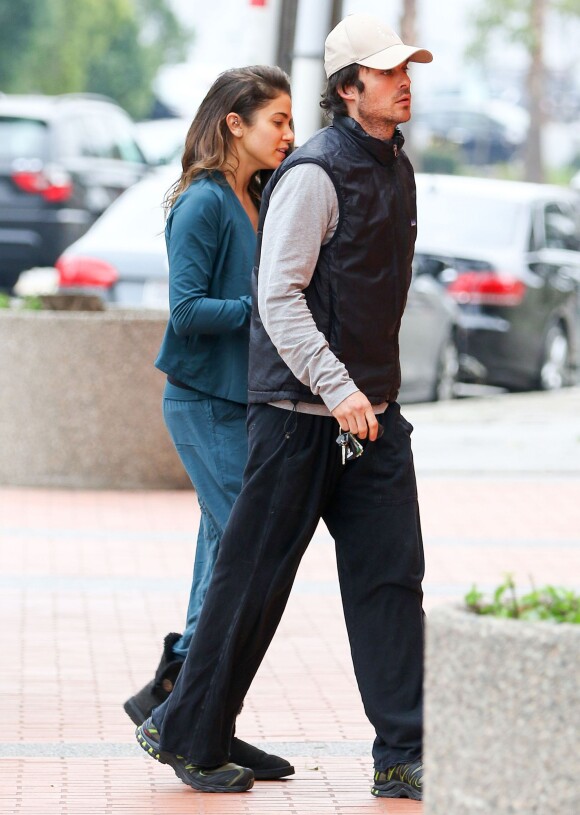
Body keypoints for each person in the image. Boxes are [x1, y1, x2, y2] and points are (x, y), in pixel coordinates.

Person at [135, 13, 433, 799]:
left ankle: (404, 751)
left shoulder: (397, 168)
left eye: (409, 70)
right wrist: (337, 388)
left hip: (373, 418)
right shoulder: (313, 174)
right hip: (299, 415)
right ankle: (187, 732)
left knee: (391, 578)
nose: (405, 82)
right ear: (349, 87)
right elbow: (279, 298)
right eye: (388, 71)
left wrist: (371, 395)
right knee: (254, 580)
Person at [124, 65, 295, 781]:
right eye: (276, 122)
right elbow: (187, 311)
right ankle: (180, 720)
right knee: (244, 561)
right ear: (235, 123)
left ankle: (191, 708)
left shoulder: (254, 195)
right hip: (202, 403)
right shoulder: (201, 204)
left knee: (224, 557)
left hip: (243, 404)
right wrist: (264, 310)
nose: (289, 134)